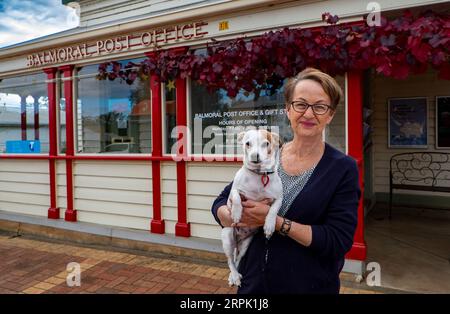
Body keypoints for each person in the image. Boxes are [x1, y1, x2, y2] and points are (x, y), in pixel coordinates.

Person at [211, 68, 361, 294]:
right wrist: (233, 216)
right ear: (288, 110)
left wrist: (277, 222)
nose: (308, 114)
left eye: (320, 106)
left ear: (330, 114)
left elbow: (338, 240)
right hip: (253, 286)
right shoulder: (267, 154)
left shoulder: (342, 168)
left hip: (308, 288)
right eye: (300, 104)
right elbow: (221, 202)